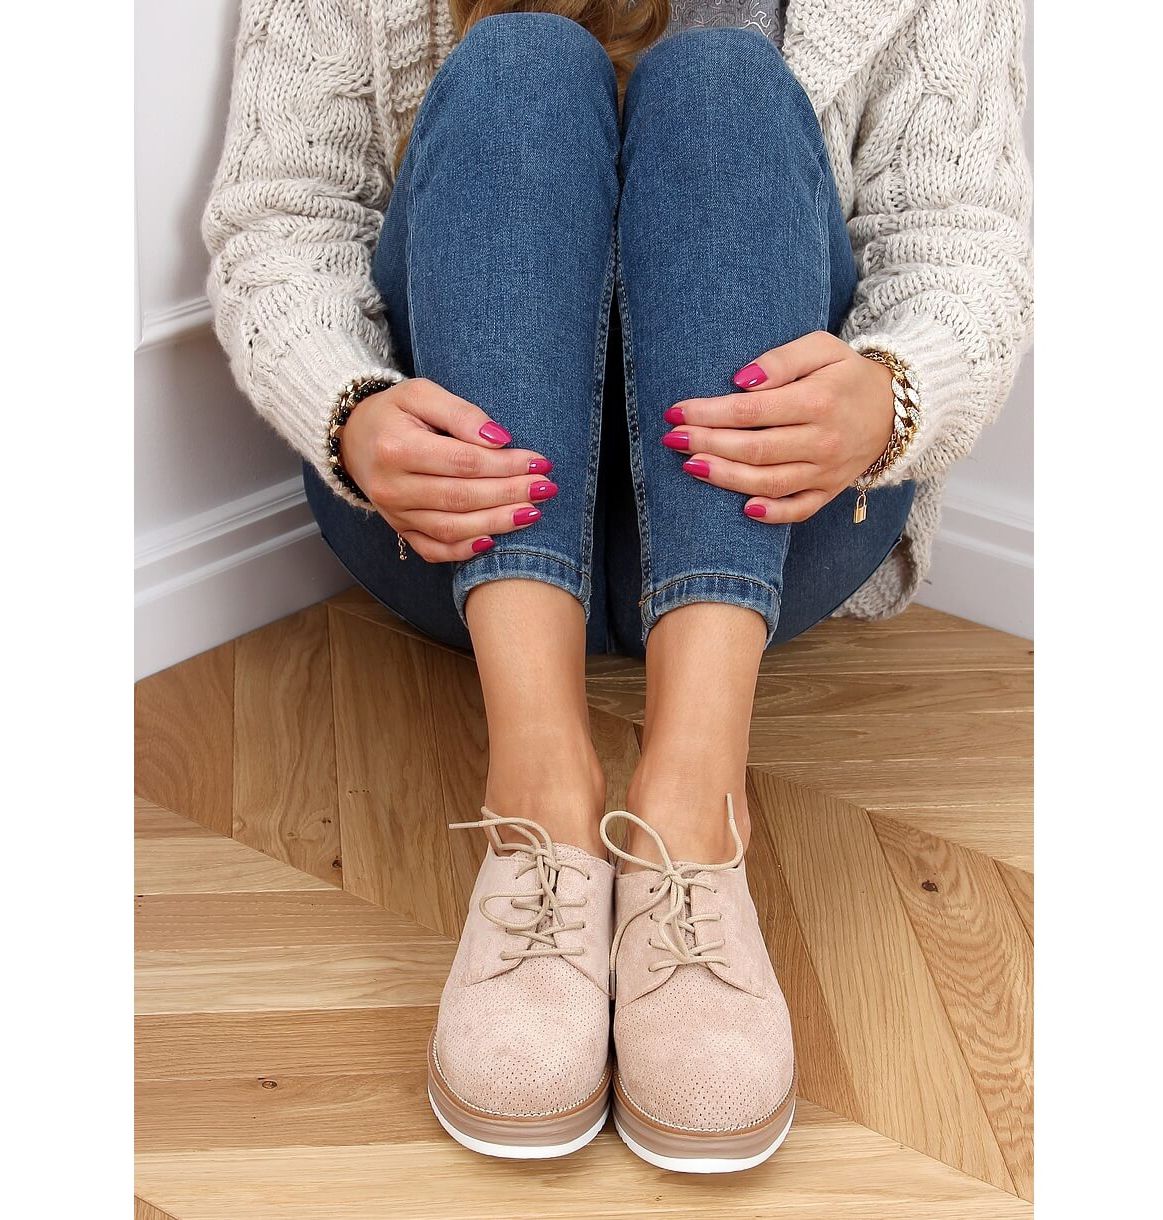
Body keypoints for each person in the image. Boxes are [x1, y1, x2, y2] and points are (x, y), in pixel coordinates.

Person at [202, 0, 1032, 1172]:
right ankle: (535, 810)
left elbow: (965, 246)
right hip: (449, 526)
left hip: (766, 528)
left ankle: (692, 824)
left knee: (721, 84)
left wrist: (892, 395)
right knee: (522, 66)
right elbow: (281, 217)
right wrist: (345, 407)